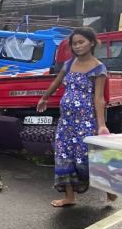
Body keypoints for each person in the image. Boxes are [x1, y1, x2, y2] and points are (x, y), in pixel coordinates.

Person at [37, 27, 113, 208]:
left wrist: (101, 125)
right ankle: (69, 197)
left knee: (86, 159)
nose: (77, 46)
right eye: (74, 43)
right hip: (66, 122)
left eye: (81, 42)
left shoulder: (98, 68)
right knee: (63, 156)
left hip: (86, 122)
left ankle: (110, 189)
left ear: (92, 42)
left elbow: (99, 98)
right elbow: (56, 82)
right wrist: (45, 97)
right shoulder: (69, 63)